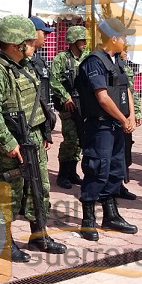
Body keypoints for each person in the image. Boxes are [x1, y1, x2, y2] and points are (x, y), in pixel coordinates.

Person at [0, 14, 67, 262]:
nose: (33, 44)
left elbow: (38, 104)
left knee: (39, 188)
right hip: (12, 144)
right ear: (17, 45)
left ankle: (39, 234)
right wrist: (8, 143)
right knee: (9, 194)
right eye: (28, 41)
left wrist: (44, 132)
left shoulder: (25, 67)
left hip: (33, 140)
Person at [75, 18, 138, 241]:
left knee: (116, 169)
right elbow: (102, 97)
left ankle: (111, 215)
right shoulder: (94, 61)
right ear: (113, 38)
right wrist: (123, 119)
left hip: (117, 125)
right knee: (97, 169)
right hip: (100, 124)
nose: (126, 41)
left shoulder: (116, 61)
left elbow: (126, 89)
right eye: (124, 37)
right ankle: (88, 220)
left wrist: (130, 115)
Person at [50, 26, 87, 189]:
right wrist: (65, 97)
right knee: (70, 139)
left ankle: (73, 172)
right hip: (68, 106)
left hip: (83, 105)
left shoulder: (87, 57)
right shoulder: (62, 58)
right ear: (73, 41)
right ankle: (63, 174)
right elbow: (54, 80)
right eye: (81, 40)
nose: (85, 43)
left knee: (80, 140)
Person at [28, 16, 57, 143]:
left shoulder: (40, 61)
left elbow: (44, 98)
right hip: (27, 125)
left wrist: (46, 130)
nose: (46, 37)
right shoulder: (20, 63)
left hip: (41, 123)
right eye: (44, 33)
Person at [119, 47, 141, 200]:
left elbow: (132, 92)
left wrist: (136, 112)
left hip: (128, 113)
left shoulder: (126, 68)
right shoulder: (106, 65)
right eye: (124, 50)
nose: (126, 52)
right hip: (116, 114)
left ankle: (121, 183)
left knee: (126, 148)